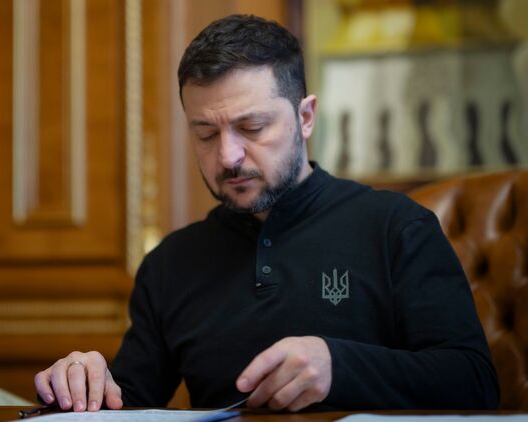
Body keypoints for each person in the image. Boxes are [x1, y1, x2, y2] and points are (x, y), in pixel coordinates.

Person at [34, 14, 499, 412]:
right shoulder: (169, 264)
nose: (228, 156)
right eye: (205, 134)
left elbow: (475, 381)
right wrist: (84, 384)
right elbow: (128, 404)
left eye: (252, 127)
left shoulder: (397, 227)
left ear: (306, 117)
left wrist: (340, 367)